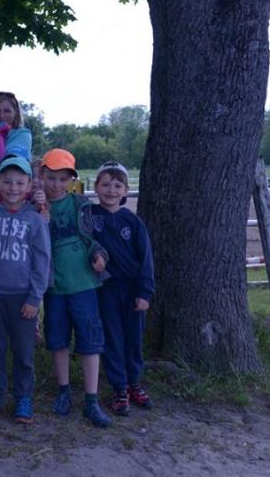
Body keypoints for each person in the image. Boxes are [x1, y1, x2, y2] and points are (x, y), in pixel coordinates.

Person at [32, 149, 112, 428]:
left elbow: (93, 238)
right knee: (58, 340)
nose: (56, 184)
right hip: (54, 288)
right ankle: (63, 390)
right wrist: (40, 210)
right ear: (41, 176)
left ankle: (91, 399)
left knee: (90, 341)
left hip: (84, 285)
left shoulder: (80, 204)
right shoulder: (34, 209)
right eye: (51, 178)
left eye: (63, 179)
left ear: (71, 180)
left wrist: (99, 256)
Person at [0, 156, 51, 424]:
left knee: (23, 351)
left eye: (19, 182)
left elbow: (42, 262)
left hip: (22, 298)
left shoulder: (35, 221)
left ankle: (23, 397)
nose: (13, 187)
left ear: (28, 186)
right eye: (7, 182)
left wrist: (34, 298)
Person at [90, 161, 155, 415]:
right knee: (112, 338)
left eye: (117, 186)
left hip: (132, 289)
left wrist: (144, 292)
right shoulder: (89, 216)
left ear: (126, 190)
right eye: (105, 184)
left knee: (133, 338)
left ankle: (134, 383)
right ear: (96, 187)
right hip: (106, 289)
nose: (111, 190)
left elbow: (146, 258)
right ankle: (119, 387)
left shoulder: (133, 222)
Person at [0, 91, 32, 161]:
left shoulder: (23, 134)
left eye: (7, 111)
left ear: (16, 112)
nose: (2, 115)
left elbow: (12, 160)